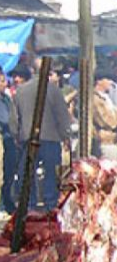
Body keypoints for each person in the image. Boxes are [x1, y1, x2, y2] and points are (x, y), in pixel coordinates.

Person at [9, 59, 72, 210]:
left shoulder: (20, 91)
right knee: (51, 173)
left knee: (28, 174)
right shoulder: (54, 90)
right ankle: (50, 206)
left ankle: (29, 206)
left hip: (27, 139)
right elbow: (62, 116)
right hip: (50, 139)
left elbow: (14, 120)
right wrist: (65, 136)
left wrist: (17, 136)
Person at [93, 71, 117, 161]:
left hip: (114, 139)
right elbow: (103, 119)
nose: (111, 82)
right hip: (105, 140)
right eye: (107, 79)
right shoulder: (95, 98)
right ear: (99, 81)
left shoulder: (106, 97)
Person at [0, 72, 14, 212]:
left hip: (10, 140)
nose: (5, 84)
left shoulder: (6, 99)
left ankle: (7, 203)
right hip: (3, 140)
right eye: (2, 81)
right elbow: (5, 120)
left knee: (9, 173)